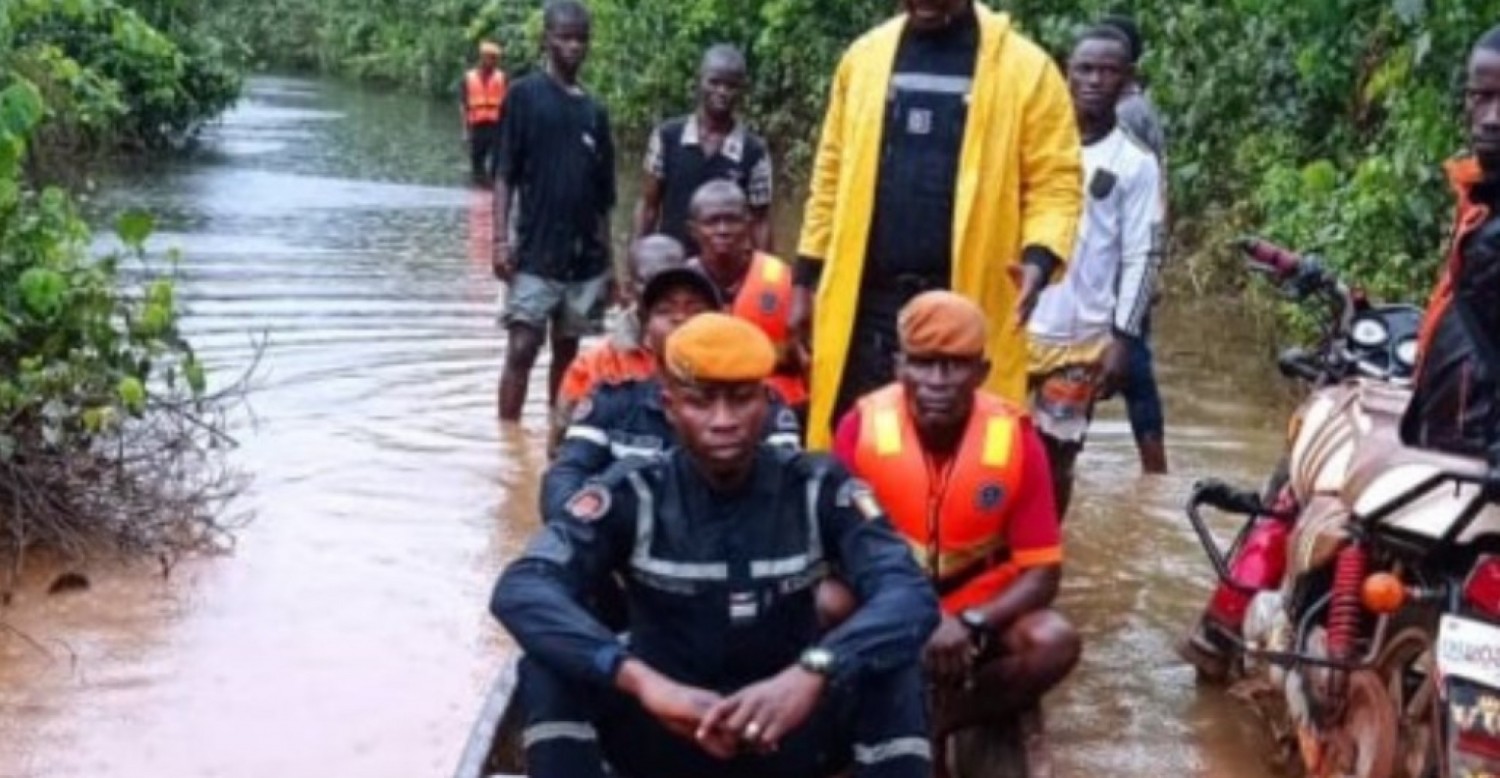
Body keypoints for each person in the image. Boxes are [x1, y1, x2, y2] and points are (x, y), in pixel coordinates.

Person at [494, 313, 939, 778]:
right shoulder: (633, 492)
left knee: (893, 664)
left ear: (768, 402)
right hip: (665, 731)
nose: (723, 420)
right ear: (669, 406)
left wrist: (815, 670)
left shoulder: (819, 486)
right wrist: (641, 681)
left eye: (741, 399)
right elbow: (522, 588)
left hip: (787, 728)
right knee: (547, 664)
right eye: (702, 402)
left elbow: (908, 593)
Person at [794, 0, 1083, 450]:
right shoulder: (864, 60)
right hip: (869, 306)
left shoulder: (1028, 71)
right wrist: (804, 280)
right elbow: (830, 174)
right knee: (857, 445)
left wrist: (1039, 258)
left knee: (968, 453)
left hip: (967, 303)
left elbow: (1055, 182)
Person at [831, 292, 1079, 773]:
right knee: (823, 602)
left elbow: (1043, 573)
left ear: (983, 372)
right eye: (924, 364)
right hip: (888, 602)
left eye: (955, 366)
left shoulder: (1017, 439)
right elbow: (838, 552)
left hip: (977, 610)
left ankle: (940, 721)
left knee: (1054, 639)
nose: (938, 382)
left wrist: (970, 623)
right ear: (899, 365)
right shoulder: (858, 428)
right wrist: (907, 616)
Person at [1026, 25, 1163, 516]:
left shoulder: (1135, 163)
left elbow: (1142, 254)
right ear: (1066, 73)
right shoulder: (1033, 146)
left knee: (1057, 459)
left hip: (1082, 337)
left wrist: (1123, 338)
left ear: (1127, 80)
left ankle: (1045, 558)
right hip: (1011, 326)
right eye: (1085, 69)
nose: (1094, 80)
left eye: (1108, 71)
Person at [493, 0, 617, 422]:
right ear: (547, 39)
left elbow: (604, 198)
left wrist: (610, 265)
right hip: (533, 250)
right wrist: (499, 240)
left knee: (568, 353)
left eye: (580, 38)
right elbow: (504, 175)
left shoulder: (595, 113)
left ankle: (555, 436)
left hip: (583, 261)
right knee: (522, 347)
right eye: (564, 37)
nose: (573, 46)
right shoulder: (523, 96)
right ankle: (507, 440)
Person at [1402, 24, 1500, 476]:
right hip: (1451, 458)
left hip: (1479, 465)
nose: (1492, 117)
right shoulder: (1478, 205)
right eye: (1480, 96)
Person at [1098, 13, 1170, 475]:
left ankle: (1155, 472)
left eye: (1107, 67)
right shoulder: (1144, 110)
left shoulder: (1122, 116)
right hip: (1128, 262)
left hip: (1118, 265)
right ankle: (1155, 473)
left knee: (1130, 366)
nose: (1096, 78)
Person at [549, 235, 695, 453]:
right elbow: (560, 451)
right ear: (628, 289)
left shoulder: (719, 353)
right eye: (650, 281)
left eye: (672, 282)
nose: (661, 291)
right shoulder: (594, 365)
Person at [634, 44, 774, 254]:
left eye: (731, 86)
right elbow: (649, 206)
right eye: (714, 82)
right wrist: (637, 256)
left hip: (726, 270)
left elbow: (759, 222)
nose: (722, 92)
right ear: (699, 81)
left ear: (742, 90)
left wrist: (764, 274)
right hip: (673, 265)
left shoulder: (754, 151)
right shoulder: (667, 136)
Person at [686, 180, 807, 413]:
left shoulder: (784, 280)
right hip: (705, 402)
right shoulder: (679, 285)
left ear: (749, 225)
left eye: (732, 220)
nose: (723, 229)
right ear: (693, 230)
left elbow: (808, 359)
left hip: (775, 402)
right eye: (712, 222)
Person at [461, 41, 508, 184]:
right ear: (482, 58)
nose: (493, 61)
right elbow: (464, 106)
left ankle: (494, 188)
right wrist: (465, 130)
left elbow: (509, 105)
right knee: (477, 162)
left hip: (497, 126)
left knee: (498, 162)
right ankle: (478, 187)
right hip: (477, 126)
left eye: (495, 58)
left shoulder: (503, 77)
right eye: (491, 57)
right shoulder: (468, 78)